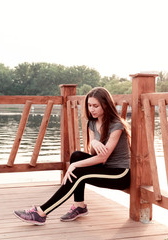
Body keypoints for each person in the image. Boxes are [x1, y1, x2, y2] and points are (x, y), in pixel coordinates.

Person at [14, 87, 131, 225]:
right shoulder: (92, 123)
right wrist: (93, 141)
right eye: (89, 105)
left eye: (95, 106)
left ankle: (41, 212)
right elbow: (94, 154)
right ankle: (79, 206)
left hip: (119, 174)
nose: (91, 109)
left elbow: (102, 158)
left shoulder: (116, 126)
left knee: (78, 171)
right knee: (76, 155)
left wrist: (74, 166)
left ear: (105, 105)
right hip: (105, 168)